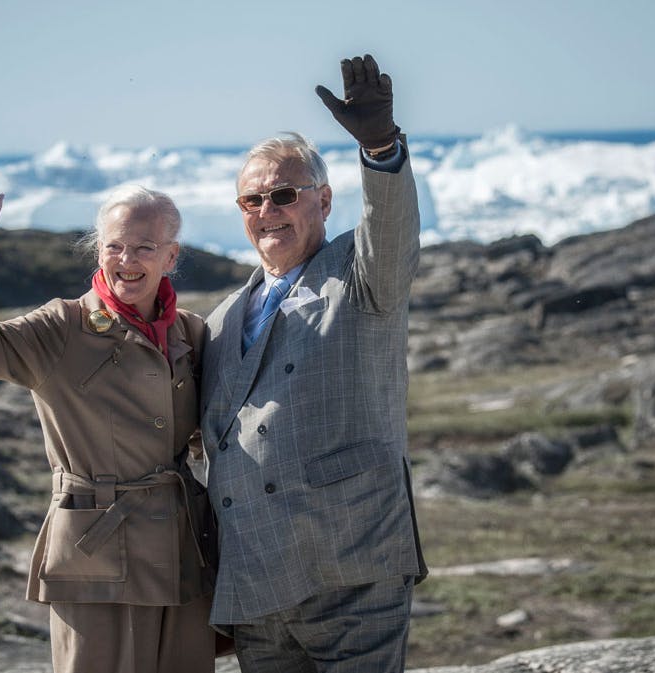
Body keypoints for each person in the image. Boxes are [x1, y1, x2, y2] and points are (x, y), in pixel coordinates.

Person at [198, 54, 427, 671]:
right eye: (253, 200)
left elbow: (393, 229)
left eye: (283, 195)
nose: (267, 209)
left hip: (351, 568)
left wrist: (380, 147)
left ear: (323, 201)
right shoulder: (218, 322)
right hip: (256, 586)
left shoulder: (360, 273)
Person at [0, 165, 215, 673]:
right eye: (114, 246)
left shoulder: (192, 334)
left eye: (144, 247)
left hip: (181, 547)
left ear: (171, 257)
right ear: (98, 251)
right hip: (98, 547)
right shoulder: (61, 326)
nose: (126, 261)